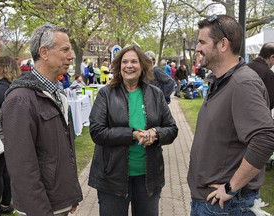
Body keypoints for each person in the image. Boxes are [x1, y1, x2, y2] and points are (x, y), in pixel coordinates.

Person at [187, 14, 274, 215]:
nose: (197, 48)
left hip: (225, 206)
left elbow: (265, 137)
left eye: (202, 42)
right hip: (210, 203)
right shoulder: (222, 80)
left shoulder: (242, 83)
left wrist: (231, 187)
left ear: (223, 44)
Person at [1, 24, 83, 216]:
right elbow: (22, 169)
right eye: (65, 49)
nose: (71, 56)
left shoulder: (56, 91)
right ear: (44, 52)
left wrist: (70, 195)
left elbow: (65, 150)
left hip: (58, 202)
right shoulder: (20, 99)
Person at [88, 45, 178, 216]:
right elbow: (97, 131)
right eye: (125, 62)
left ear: (143, 66)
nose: (129, 65)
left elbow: (172, 129)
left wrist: (156, 134)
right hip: (112, 177)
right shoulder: (106, 94)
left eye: (134, 61)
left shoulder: (156, 94)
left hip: (148, 177)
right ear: (119, 67)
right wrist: (132, 135)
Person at [0, 56, 21, 215]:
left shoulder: (1, 88)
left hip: (0, 133)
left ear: (3, 68)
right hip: (9, 131)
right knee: (5, 171)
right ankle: (6, 203)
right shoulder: (14, 85)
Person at [247, 42, 274, 109]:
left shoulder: (245, 67)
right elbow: (270, 101)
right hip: (258, 114)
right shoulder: (268, 74)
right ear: (272, 57)